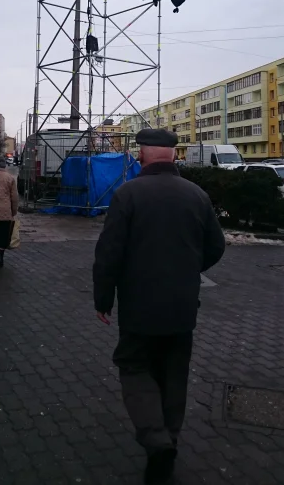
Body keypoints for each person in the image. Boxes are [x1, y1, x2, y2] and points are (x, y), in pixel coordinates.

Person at [93, 128, 225, 484]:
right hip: (183, 307)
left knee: (135, 367)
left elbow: (109, 254)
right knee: (173, 373)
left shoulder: (127, 194)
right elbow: (216, 246)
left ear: (143, 155)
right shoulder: (196, 194)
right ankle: (170, 439)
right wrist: (186, 270)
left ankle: (155, 439)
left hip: (139, 307)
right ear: (172, 155)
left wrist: (103, 298)